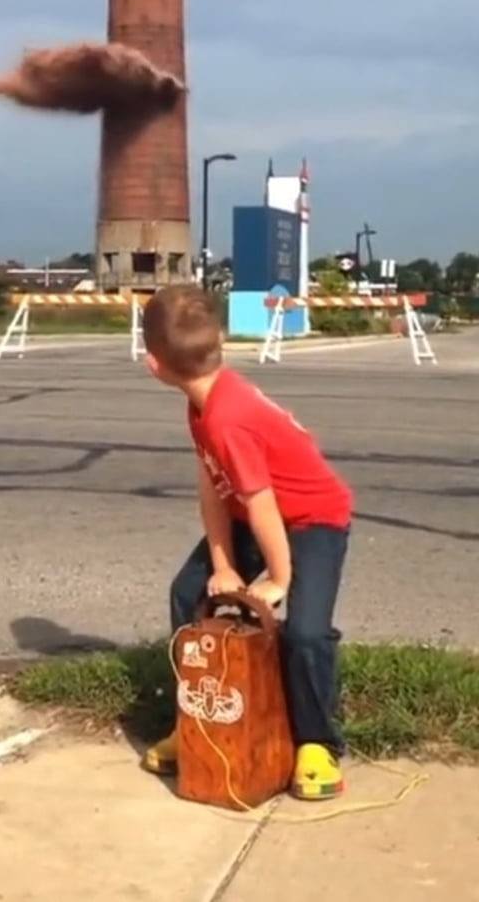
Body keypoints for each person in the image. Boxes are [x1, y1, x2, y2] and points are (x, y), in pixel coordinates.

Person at [139, 284, 353, 801]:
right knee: (187, 591)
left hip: (313, 519)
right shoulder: (204, 403)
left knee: (304, 631)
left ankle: (316, 743)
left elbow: (263, 505)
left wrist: (277, 580)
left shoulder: (227, 416)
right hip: (259, 517)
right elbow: (214, 486)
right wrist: (222, 562)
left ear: (153, 364)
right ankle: (197, 716)